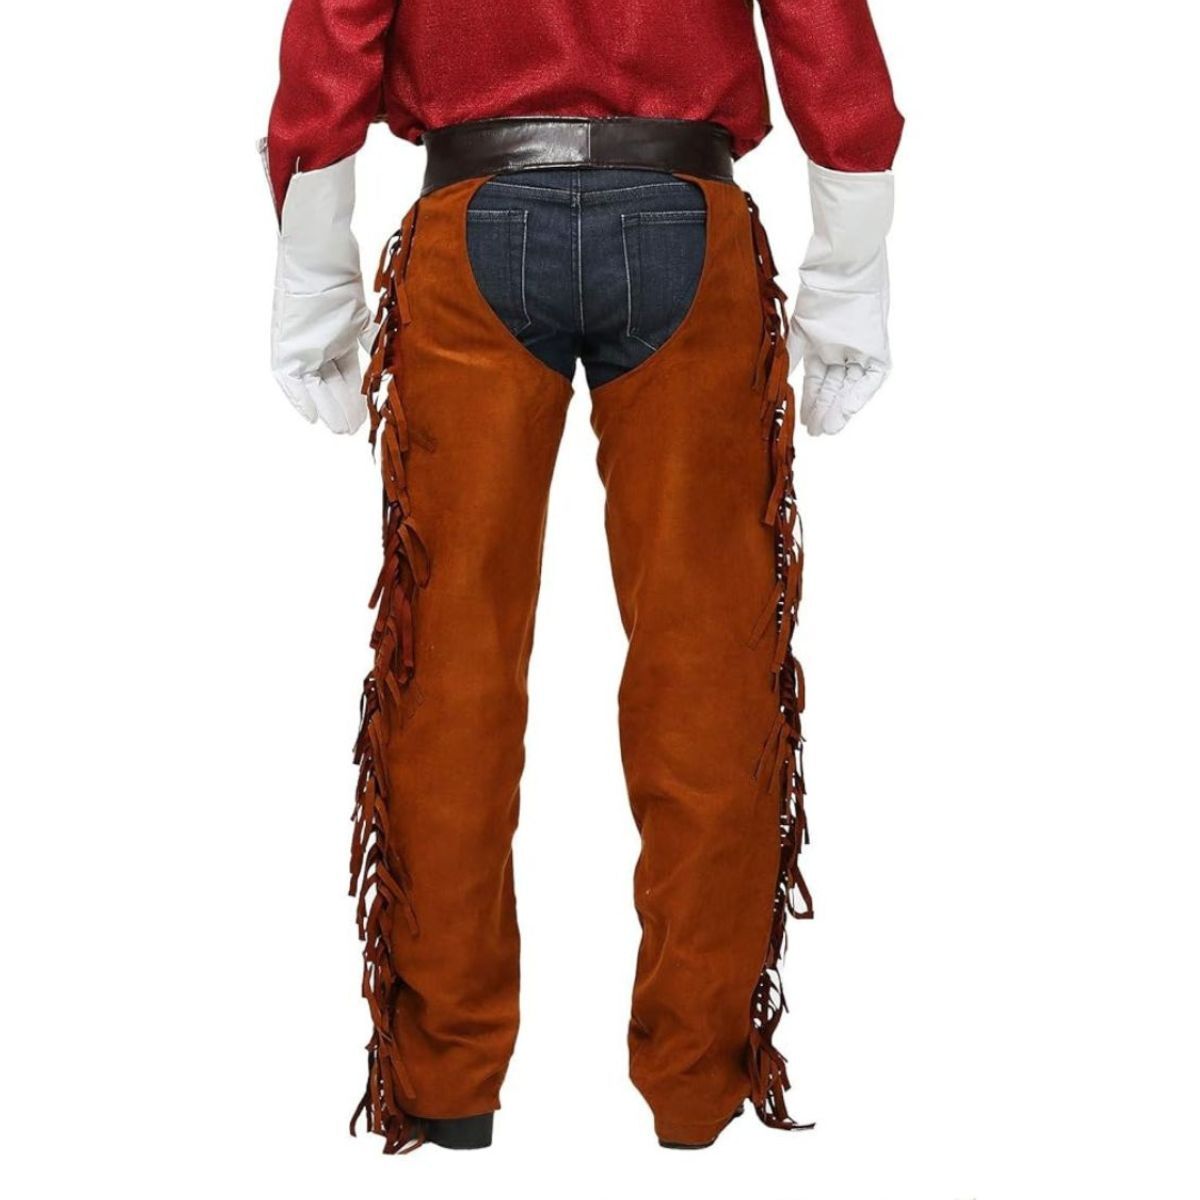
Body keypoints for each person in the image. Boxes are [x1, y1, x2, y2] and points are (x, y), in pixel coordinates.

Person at [262, 0, 902, 1153]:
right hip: (687, 208)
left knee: (448, 665)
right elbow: (823, 24)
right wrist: (850, 266)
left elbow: (337, 20)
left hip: (474, 205)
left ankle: (446, 1079)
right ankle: (698, 1084)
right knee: (709, 666)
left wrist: (313, 267)